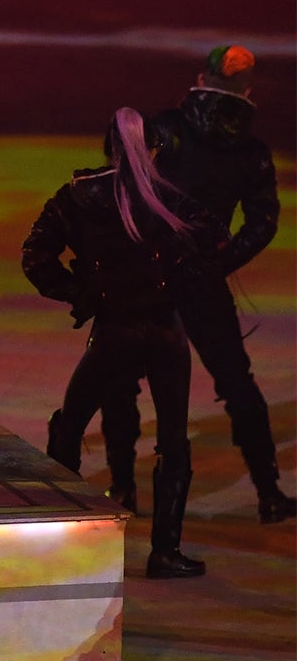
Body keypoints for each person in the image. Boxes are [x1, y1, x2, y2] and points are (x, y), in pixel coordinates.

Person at [22, 107, 225, 579]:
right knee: (173, 440)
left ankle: (63, 536)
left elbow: (35, 256)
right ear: (154, 149)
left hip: (114, 329)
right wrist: (179, 285)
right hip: (165, 330)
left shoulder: (78, 195)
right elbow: (216, 244)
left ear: (107, 147)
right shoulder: (171, 198)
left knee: (71, 424)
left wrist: (82, 294)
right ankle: (165, 552)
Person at [147, 46, 293, 523]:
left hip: (150, 274)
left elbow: (131, 191)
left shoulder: (165, 128)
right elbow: (262, 223)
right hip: (203, 282)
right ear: (247, 91)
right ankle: (269, 493)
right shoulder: (252, 152)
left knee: (115, 374)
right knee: (237, 383)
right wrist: (218, 263)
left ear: (200, 78)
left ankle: (121, 486)